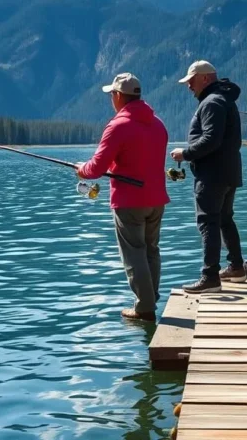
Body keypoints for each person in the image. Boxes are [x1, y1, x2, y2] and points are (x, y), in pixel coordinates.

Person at [77, 73, 170, 322]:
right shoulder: (158, 124)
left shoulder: (118, 126)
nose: (111, 98)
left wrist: (82, 169)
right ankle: (150, 299)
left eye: (112, 94)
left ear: (118, 96)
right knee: (151, 250)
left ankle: (144, 308)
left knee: (134, 253)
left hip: (129, 201)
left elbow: (96, 168)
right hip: (157, 199)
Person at [170, 60, 245, 294]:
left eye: (191, 80)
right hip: (228, 172)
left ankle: (210, 276)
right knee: (224, 219)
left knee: (208, 222)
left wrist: (185, 153)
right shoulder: (222, 99)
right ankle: (236, 267)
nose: (188, 86)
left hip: (212, 175)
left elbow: (211, 139)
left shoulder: (212, 102)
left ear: (205, 78)